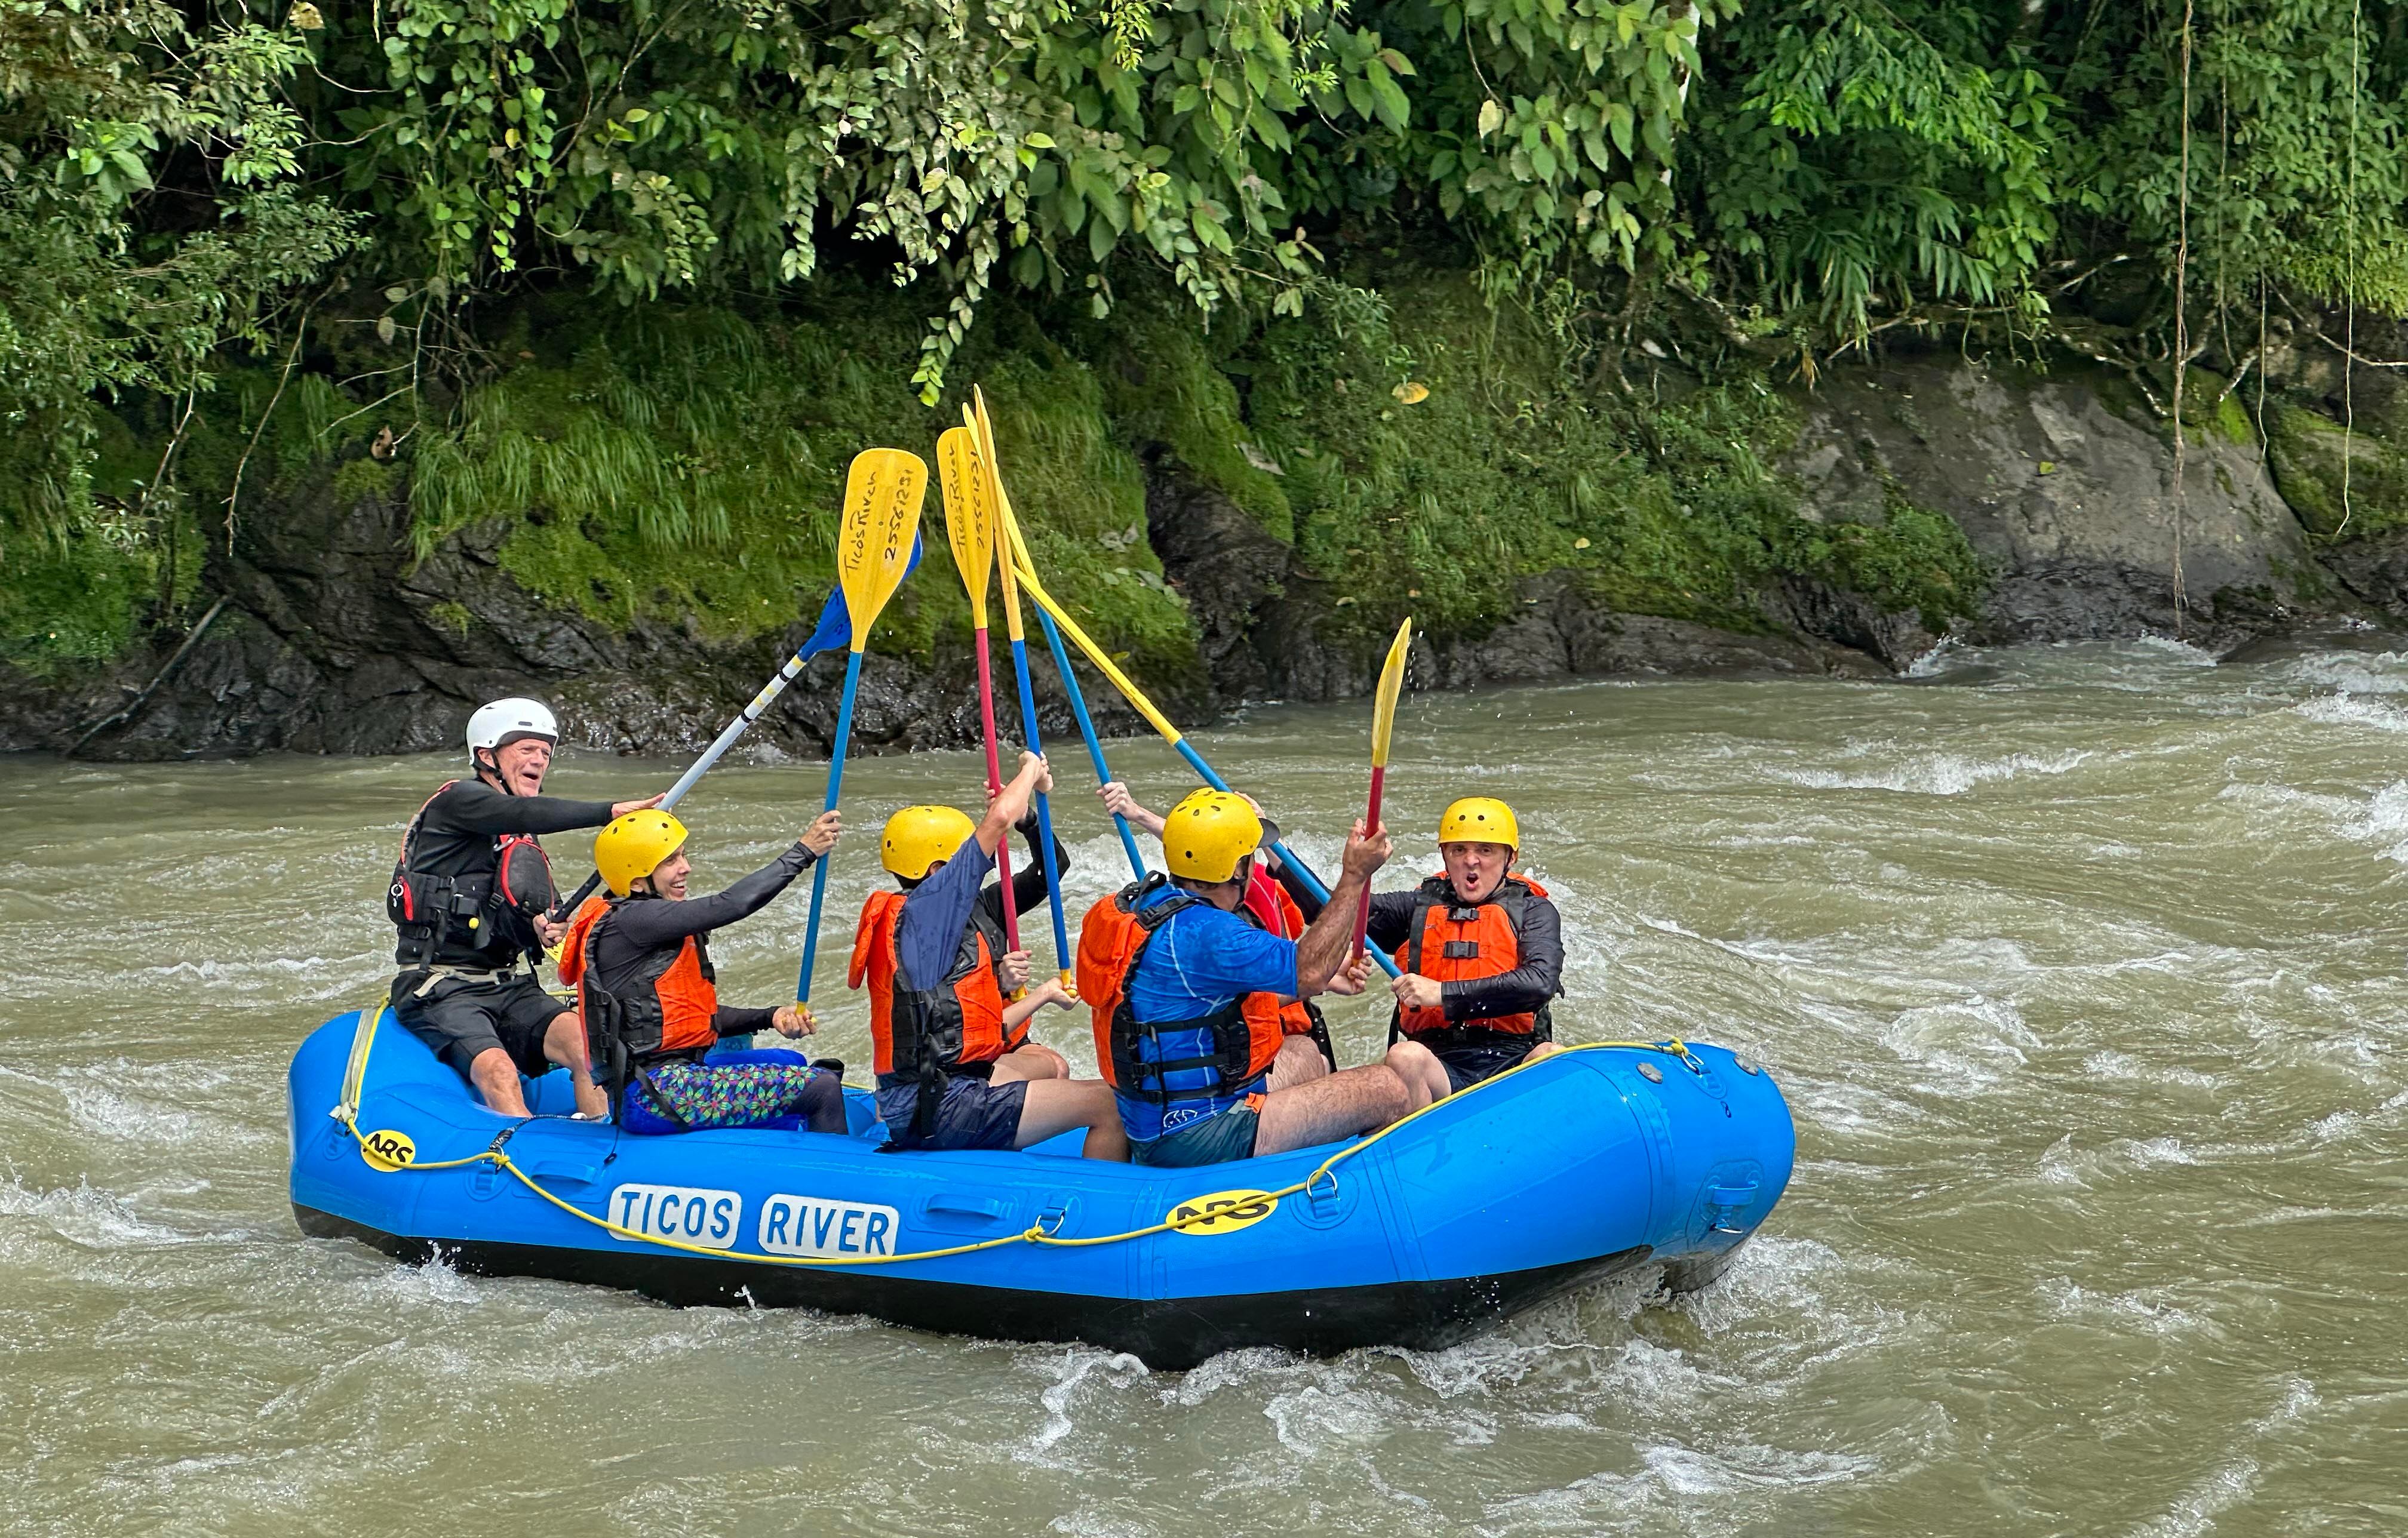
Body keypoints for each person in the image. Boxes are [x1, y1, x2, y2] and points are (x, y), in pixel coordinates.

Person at [1076, 789, 1442, 1168]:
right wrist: (1354, 876)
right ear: (1238, 868)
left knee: (1302, 1053)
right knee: (1387, 1089)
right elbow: (1309, 972)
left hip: (1157, 1116)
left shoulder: (1139, 905)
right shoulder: (1212, 933)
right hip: (1198, 1133)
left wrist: (1331, 979)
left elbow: (1198, 1008)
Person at [386, 697, 662, 1118]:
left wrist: (539, 929)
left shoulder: (518, 839)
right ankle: (515, 1165)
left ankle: (605, 1144)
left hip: (509, 986)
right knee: (499, 1071)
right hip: (440, 987)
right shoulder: (460, 802)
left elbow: (513, 914)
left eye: (546, 753)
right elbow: (523, 810)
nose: (539, 760)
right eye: (526, 750)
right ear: (487, 756)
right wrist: (610, 812)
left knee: (589, 1046)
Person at [849, 752, 1127, 1159]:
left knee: (1052, 1066)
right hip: (938, 1105)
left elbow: (1051, 868)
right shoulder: (925, 915)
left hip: (951, 1084)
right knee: (1111, 1103)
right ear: (936, 869)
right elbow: (997, 820)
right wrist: (1032, 770)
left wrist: (1029, 819)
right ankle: (1103, 1211)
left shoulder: (972, 908)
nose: (978, 860)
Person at [557, 807, 849, 1135]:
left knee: (789, 1061)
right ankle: (832, 1180)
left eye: (682, 856)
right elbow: (731, 904)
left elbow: (691, 1018)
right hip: (655, 1094)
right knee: (821, 1086)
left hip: (666, 1079)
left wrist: (770, 1016)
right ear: (638, 883)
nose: (686, 868)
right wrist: (805, 851)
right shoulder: (633, 922)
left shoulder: (640, 923)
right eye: (670, 861)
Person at [1099, 781, 1335, 1085]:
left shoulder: (1256, 882)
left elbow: (1314, 900)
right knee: (1317, 1061)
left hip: (1285, 1020)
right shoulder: (1217, 919)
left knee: (1317, 1057)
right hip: (1256, 1041)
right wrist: (1138, 814)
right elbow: (1197, 852)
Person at [1361, 796, 1564, 1098]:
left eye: (1485, 850)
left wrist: (1442, 994)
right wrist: (1275, 848)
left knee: (1553, 1056)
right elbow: (1329, 911)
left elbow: (1539, 984)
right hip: (1437, 1065)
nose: (1471, 861)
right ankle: (1419, 1137)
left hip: (1514, 1062)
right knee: (1405, 1056)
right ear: (1444, 855)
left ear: (1511, 857)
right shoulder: (1417, 908)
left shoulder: (1533, 911)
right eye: (1459, 850)